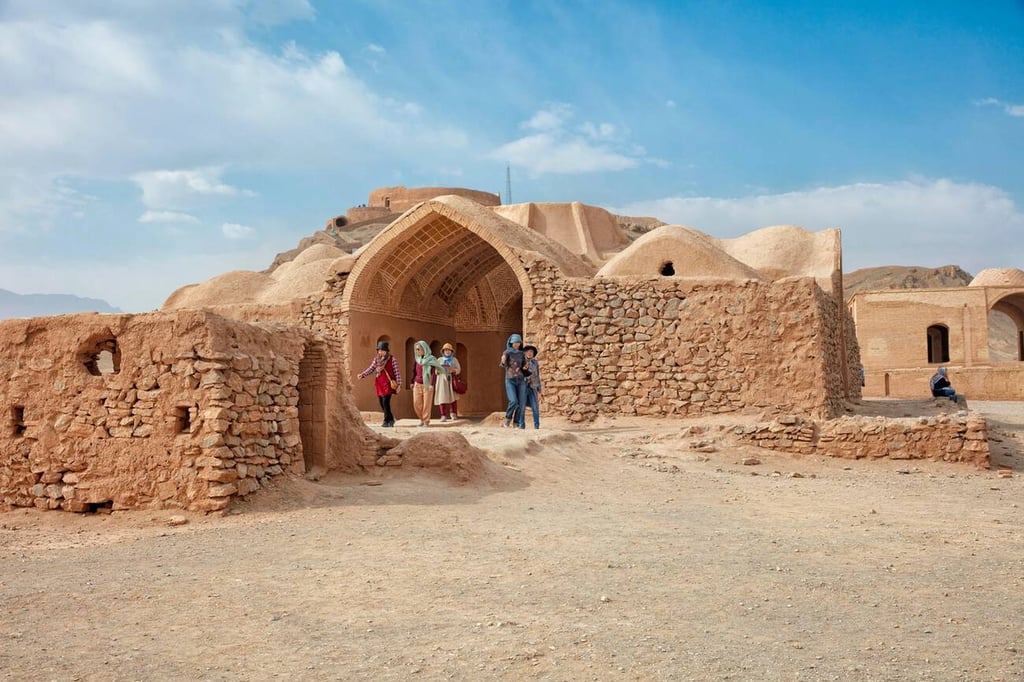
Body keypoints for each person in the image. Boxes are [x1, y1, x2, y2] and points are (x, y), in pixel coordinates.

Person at [357, 340, 401, 427]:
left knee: (385, 402)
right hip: (379, 383)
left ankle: (385, 421)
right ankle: (391, 419)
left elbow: (397, 372)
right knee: (381, 402)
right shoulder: (376, 359)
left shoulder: (392, 359)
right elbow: (371, 368)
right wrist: (362, 375)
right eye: (379, 350)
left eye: (382, 350)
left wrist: (399, 384)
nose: (380, 352)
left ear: (386, 351)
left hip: (388, 384)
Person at [411, 340, 447, 427]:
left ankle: (426, 421)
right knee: (416, 404)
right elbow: (414, 371)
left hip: (427, 385)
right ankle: (422, 419)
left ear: (424, 349)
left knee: (426, 404)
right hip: (417, 384)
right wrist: (412, 381)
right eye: (416, 349)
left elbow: (433, 373)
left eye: (419, 349)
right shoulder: (417, 360)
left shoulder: (431, 359)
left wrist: (431, 384)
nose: (417, 351)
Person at [499, 333, 527, 428]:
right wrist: (503, 361)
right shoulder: (507, 352)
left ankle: (516, 423)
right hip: (510, 380)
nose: (516, 344)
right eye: (515, 342)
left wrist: (526, 367)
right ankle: (507, 419)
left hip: (521, 380)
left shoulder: (521, 353)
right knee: (513, 401)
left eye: (518, 342)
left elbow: (524, 366)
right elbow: (503, 364)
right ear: (511, 342)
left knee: (521, 403)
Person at [434, 342, 461, 421]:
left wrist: (452, 369)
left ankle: (453, 413)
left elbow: (459, 370)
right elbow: (435, 371)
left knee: (453, 397)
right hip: (442, 380)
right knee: (442, 397)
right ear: (443, 351)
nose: (447, 351)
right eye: (446, 350)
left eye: (449, 350)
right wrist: (440, 369)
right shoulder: (439, 360)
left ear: (451, 351)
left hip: (451, 379)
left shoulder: (454, 360)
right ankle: (443, 415)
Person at [522, 344, 543, 429]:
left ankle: (536, 426)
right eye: (528, 351)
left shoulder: (535, 363)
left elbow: (537, 375)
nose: (530, 353)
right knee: (522, 407)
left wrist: (539, 387)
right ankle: (521, 425)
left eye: (531, 352)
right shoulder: (521, 362)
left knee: (535, 407)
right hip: (523, 387)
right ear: (525, 352)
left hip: (533, 387)